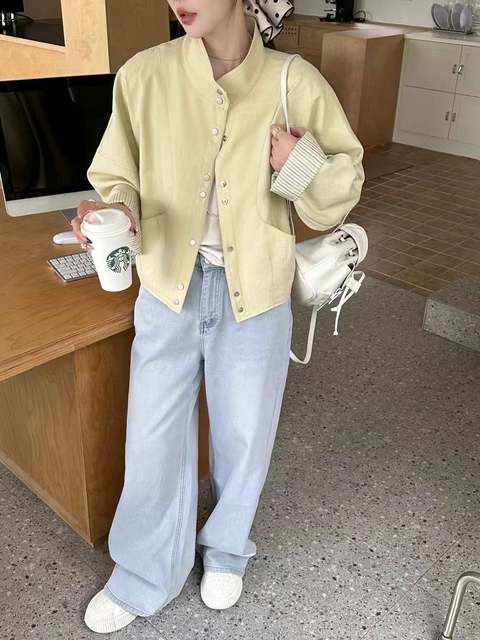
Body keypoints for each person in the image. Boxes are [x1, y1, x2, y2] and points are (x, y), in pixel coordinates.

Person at [72, 0, 365, 633]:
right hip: (168, 288)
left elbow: (341, 192)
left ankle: (228, 549)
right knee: (152, 437)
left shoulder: (293, 82)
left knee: (244, 434)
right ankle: (143, 573)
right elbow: (118, 174)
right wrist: (114, 211)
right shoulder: (144, 75)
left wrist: (299, 165)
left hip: (254, 291)